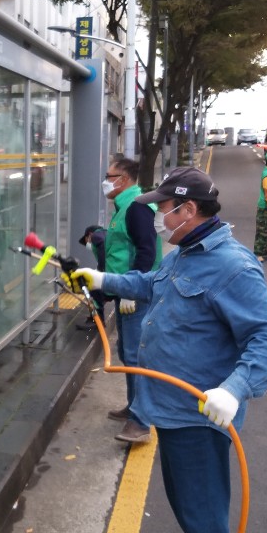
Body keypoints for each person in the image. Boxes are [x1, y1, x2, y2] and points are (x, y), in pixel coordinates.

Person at [65, 166, 267, 533]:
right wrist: (103, 280)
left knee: (203, 512)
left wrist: (233, 390)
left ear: (188, 210)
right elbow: (150, 285)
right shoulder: (184, 253)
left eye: (164, 209)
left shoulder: (233, 266)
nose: (159, 217)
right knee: (189, 503)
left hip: (199, 415)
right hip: (168, 407)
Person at [102, 156, 161, 444]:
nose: (106, 180)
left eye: (108, 175)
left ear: (122, 180)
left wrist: (131, 289)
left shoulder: (136, 208)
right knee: (128, 354)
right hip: (125, 292)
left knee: (137, 357)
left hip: (135, 295)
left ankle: (140, 422)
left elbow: (146, 251)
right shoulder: (125, 206)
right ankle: (132, 408)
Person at [76, 224, 106, 329]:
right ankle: (96, 318)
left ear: (89, 235)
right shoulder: (106, 233)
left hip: (111, 273)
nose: (88, 243)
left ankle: (97, 321)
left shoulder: (96, 236)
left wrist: (101, 270)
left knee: (91, 286)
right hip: (117, 272)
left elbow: (102, 246)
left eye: (86, 240)